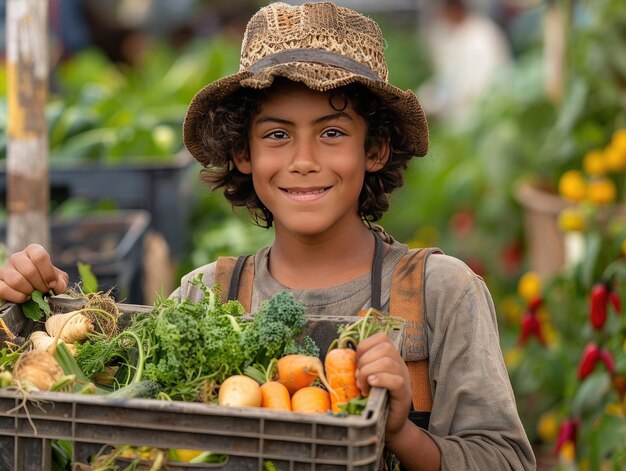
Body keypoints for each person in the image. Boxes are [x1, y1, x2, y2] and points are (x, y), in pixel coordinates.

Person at [0, 2, 535, 469]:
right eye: (277, 135)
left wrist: (403, 435)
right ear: (243, 153)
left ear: (374, 150)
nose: (303, 161)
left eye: (331, 133)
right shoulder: (205, 295)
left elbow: (505, 460)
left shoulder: (441, 293)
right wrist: (49, 312)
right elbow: (103, 411)